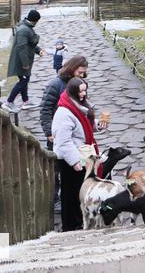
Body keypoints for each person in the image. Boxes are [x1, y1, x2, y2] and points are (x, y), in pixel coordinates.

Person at [52, 77, 104, 231]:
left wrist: (98, 127)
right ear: (73, 91)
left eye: (85, 90)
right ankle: (71, 225)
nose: (83, 93)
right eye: (81, 91)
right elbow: (63, 141)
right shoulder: (64, 112)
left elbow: (84, 128)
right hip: (71, 160)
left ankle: (79, 221)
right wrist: (75, 161)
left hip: (82, 156)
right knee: (71, 194)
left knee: (80, 191)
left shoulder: (78, 107)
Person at [40, 56, 89, 150]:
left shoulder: (80, 83)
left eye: (84, 73)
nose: (82, 76)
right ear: (72, 68)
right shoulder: (55, 85)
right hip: (59, 131)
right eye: (80, 72)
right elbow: (45, 109)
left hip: (76, 131)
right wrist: (49, 132)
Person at [4, 9, 44, 112]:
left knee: (24, 80)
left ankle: (25, 101)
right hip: (21, 61)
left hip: (24, 60)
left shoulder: (26, 27)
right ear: (35, 20)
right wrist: (25, 64)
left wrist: (38, 50)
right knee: (24, 80)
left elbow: (29, 44)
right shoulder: (24, 30)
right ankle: (9, 102)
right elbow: (22, 48)